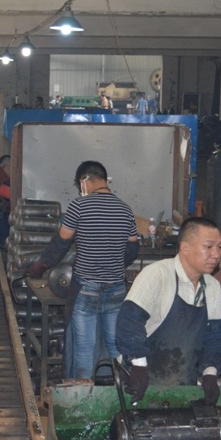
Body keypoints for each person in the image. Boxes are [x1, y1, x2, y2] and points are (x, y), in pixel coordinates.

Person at [29, 161, 139, 379]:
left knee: (84, 348)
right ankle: (123, 391)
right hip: (116, 289)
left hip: (86, 289)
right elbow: (133, 249)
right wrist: (113, 264)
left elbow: (61, 243)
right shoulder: (125, 209)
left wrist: (41, 265)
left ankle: (82, 396)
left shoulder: (79, 206)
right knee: (115, 346)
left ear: (84, 181)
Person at [116, 216, 221, 405]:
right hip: (138, 382)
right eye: (208, 247)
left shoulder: (212, 287)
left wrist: (210, 374)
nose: (216, 254)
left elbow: (213, 337)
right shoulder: (157, 275)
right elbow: (129, 320)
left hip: (183, 385)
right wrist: (139, 367)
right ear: (185, 248)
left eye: (219, 247)